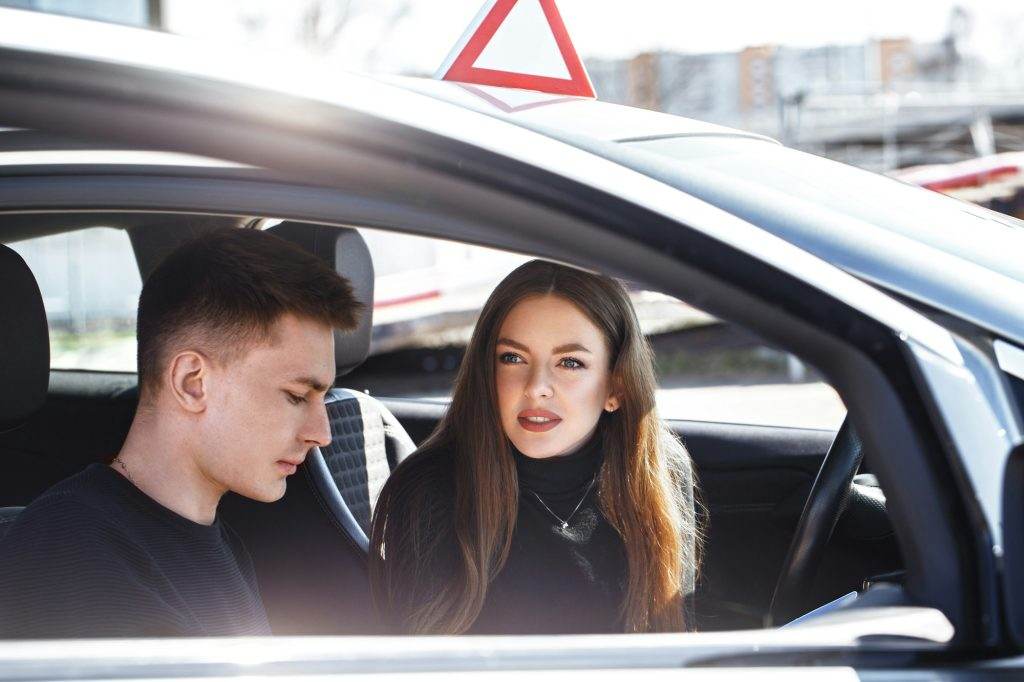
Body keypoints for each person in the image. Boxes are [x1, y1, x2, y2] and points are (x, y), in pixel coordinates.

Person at [0, 228, 361, 638]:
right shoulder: (73, 559)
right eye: (297, 396)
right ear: (193, 382)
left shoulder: (215, 541)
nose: (322, 434)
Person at [370, 260, 698, 635]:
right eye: (513, 358)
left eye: (570, 363)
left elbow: (674, 643)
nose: (536, 386)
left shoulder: (659, 473)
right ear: (487, 374)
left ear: (615, 388)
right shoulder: (431, 488)